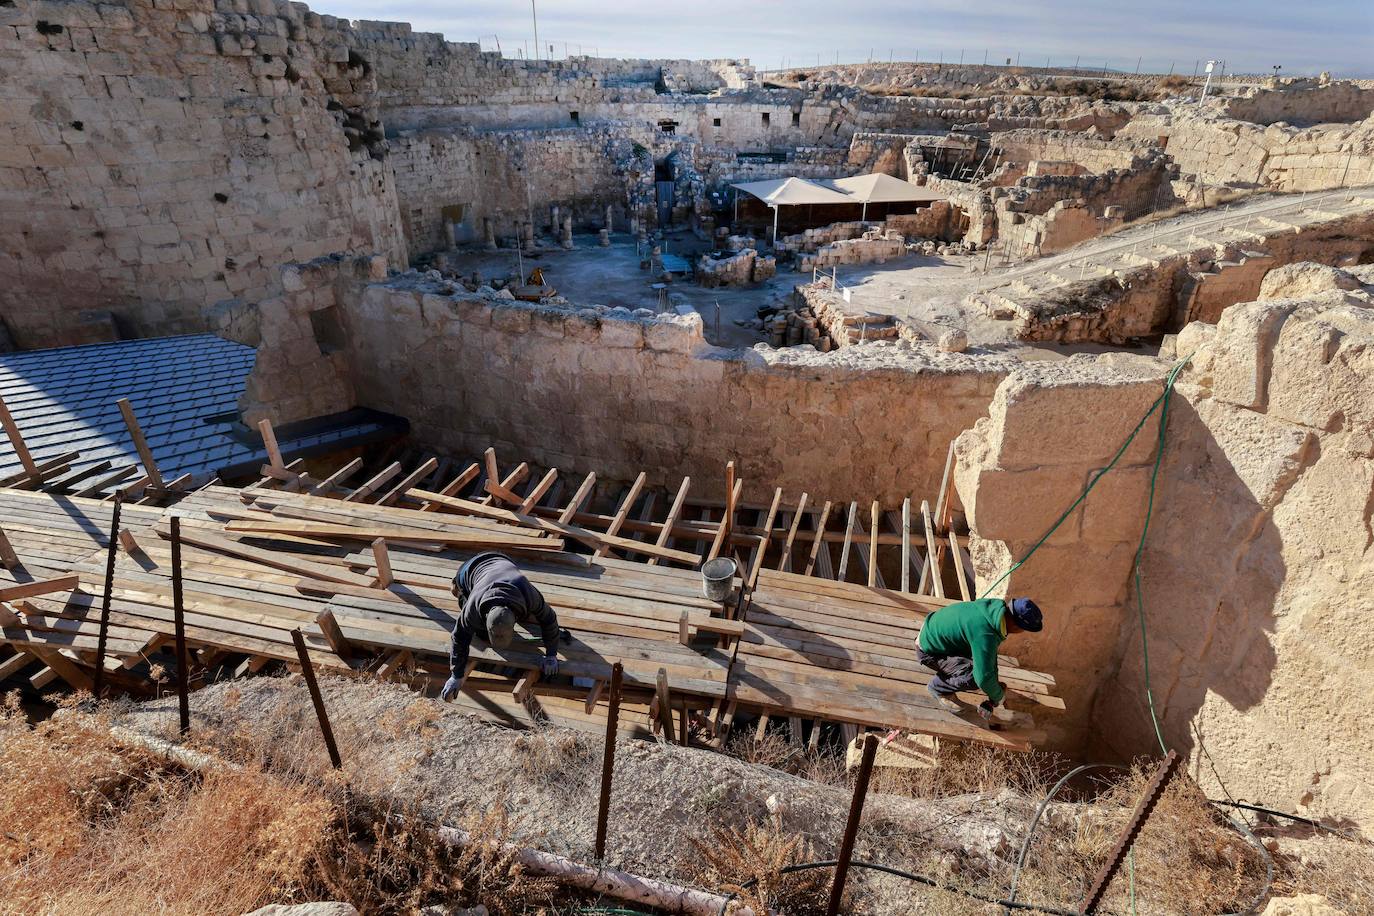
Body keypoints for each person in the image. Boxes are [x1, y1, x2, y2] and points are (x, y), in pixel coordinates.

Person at [439, 551, 562, 701]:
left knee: (531, 613)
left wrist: (551, 655)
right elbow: (459, 637)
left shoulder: (528, 594)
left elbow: (549, 619)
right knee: (481, 634)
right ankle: (456, 587)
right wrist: (456, 675)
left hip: (502, 560)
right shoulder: (473, 607)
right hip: (468, 570)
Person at [916, 597, 1042, 721]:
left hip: (932, 630)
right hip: (928, 651)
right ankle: (939, 688)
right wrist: (998, 697)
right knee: (973, 678)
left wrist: (995, 686)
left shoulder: (994, 611)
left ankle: (950, 672)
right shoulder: (985, 633)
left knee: (983, 665)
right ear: (1017, 627)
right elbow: (983, 679)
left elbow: (989, 656)